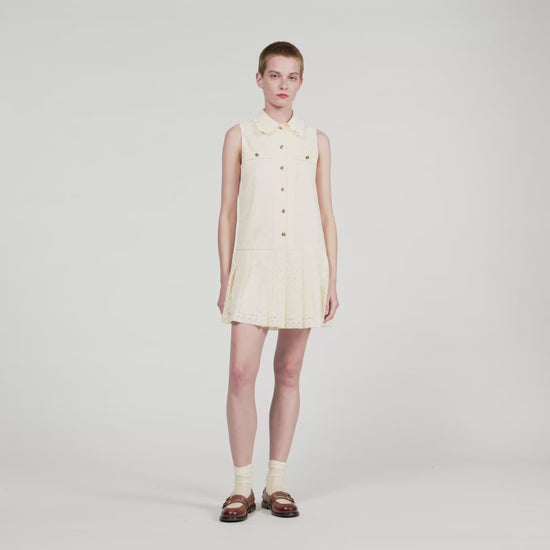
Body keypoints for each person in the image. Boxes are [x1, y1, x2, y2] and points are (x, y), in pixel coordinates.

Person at [217, 41, 339, 522]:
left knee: (289, 372)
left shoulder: (317, 140)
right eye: (274, 75)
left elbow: (326, 213)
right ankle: (241, 487)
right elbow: (228, 211)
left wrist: (332, 278)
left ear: (301, 83)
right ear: (259, 79)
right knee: (240, 373)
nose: (283, 85)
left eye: (291, 77)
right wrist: (225, 275)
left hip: (304, 265)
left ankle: (277, 483)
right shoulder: (240, 136)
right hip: (254, 265)